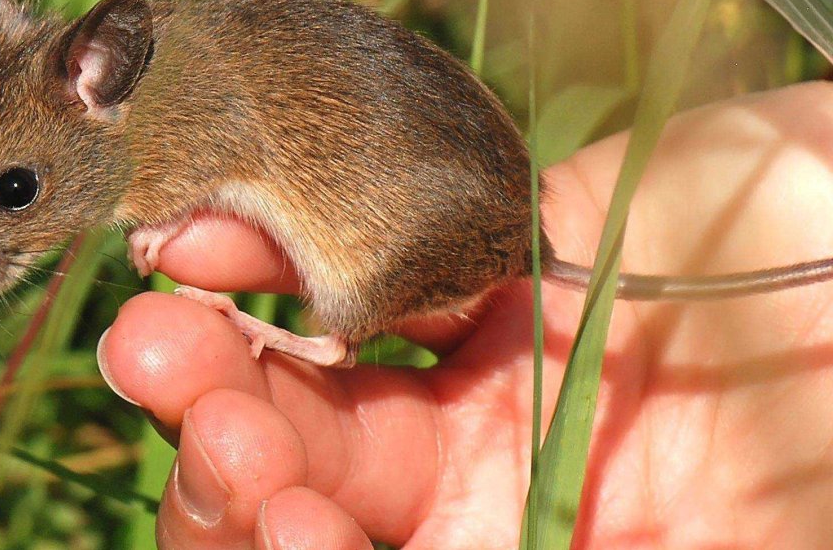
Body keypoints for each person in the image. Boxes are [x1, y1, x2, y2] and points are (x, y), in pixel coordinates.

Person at [98, 82, 833, 549]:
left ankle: (327, 347)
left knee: (341, 288)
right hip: (467, 191)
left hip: (439, 207)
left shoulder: (176, 111)